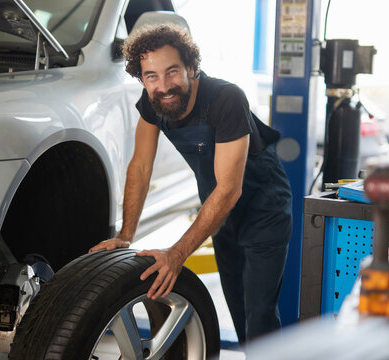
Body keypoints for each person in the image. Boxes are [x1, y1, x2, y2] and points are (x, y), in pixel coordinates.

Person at [89, 23, 292, 343]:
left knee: (260, 314)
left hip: (263, 208)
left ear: (192, 68)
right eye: (151, 76)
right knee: (238, 309)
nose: (163, 85)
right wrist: (126, 234)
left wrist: (176, 253)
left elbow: (230, 188)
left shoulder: (226, 98)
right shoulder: (153, 101)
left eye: (172, 72)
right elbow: (140, 167)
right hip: (219, 214)